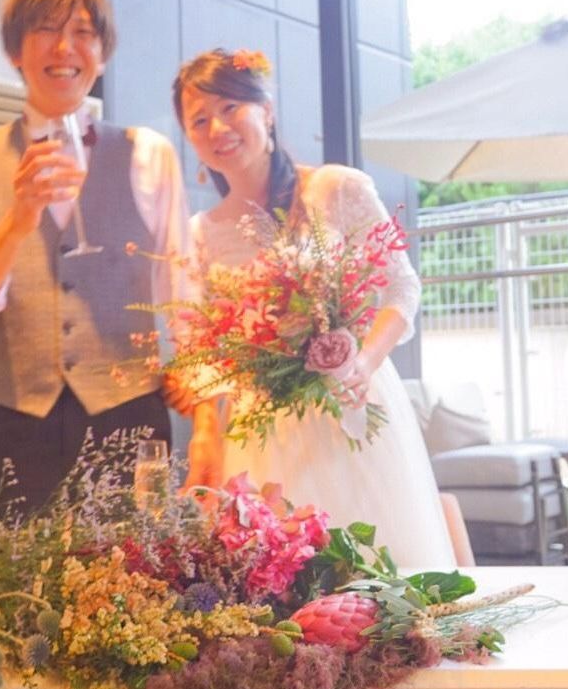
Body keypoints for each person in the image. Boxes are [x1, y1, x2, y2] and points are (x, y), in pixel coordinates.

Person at [173, 47, 454, 567]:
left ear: (266, 110)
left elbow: (401, 288)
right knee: (284, 578)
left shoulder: (336, 188)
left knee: (380, 571)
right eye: (199, 120)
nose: (218, 128)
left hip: (351, 407)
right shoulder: (201, 234)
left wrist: (363, 363)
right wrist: (205, 439)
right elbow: (200, 354)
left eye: (230, 107)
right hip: (264, 429)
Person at [0, 0, 190, 521]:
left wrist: (205, 403)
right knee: (3, 577)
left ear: (103, 53)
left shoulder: (149, 155)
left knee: (134, 574)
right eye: (46, 29)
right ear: (14, 51)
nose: (65, 48)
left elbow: (181, 288)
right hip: (13, 424)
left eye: (83, 33)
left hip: (129, 419)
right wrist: (17, 222)